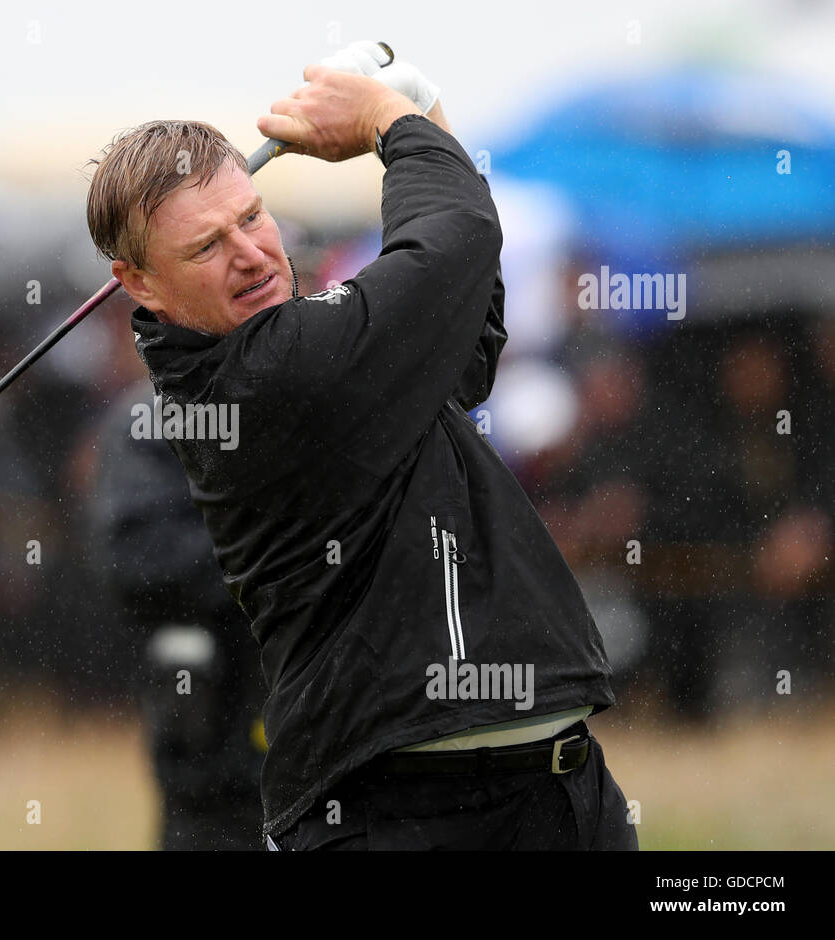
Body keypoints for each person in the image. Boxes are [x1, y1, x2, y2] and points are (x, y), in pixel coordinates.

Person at [84, 50, 637, 850]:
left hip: (554, 785)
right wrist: (393, 124)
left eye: (252, 216)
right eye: (207, 246)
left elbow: (468, 326)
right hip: (400, 812)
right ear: (138, 282)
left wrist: (425, 116)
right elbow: (454, 241)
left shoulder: (323, 355)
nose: (250, 252)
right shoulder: (264, 374)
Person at [89, 380, 266, 849]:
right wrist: (274, 561)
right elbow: (136, 559)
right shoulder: (153, 420)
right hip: (214, 732)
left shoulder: (335, 398)